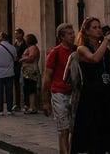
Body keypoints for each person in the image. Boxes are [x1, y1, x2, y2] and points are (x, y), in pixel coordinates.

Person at [69, 17, 110, 154]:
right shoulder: (82, 49)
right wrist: (106, 41)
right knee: (94, 134)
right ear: (87, 31)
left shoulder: (108, 49)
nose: (98, 30)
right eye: (94, 27)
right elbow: (94, 58)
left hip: (108, 94)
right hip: (92, 95)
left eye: (99, 27)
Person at [42, 22, 76, 154]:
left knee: (74, 129)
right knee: (63, 129)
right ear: (62, 37)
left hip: (74, 93)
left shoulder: (76, 50)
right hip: (59, 93)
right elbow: (47, 76)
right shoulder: (55, 52)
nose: (72, 36)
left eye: (73, 33)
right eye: (69, 34)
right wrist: (45, 102)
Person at [0, 32, 18, 116]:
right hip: (9, 73)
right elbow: (15, 59)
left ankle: (0, 110)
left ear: (1, 38)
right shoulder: (12, 48)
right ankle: (9, 109)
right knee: (9, 92)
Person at [19, 33, 40, 114]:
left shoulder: (33, 48)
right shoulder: (30, 47)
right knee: (28, 89)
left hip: (31, 72)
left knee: (31, 89)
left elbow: (31, 58)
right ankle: (29, 106)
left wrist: (22, 59)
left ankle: (32, 107)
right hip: (27, 72)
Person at [12, 28, 26, 112]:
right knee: (16, 85)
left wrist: (20, 58)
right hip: (16, 67)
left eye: (17, 33)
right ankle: (17, 103)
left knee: (23, 85)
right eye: (15, 33)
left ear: (21, 34)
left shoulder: (25, 44)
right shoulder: (15, 44)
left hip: (23, 66)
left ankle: (24, 103)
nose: (15, 35)